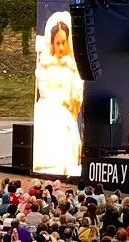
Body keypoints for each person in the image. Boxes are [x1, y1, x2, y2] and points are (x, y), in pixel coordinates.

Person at [32, 11, 84, 176]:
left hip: (67, 111)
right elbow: (44, 89)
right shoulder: (45, 66)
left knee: (68, 133)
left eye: (64, 42)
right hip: (51, 106)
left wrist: (74, 99)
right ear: (52, 43)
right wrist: (59, 101)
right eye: (57, 43)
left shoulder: (72, 66)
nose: (61, 47)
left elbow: (77, 88)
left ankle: (66, 166)